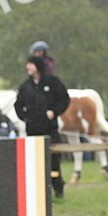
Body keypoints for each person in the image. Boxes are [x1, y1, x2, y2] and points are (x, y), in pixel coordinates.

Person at [16, 54, 70, 197]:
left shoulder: (53, 82)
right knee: (35, 163)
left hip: (50, 131)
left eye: (31, 64)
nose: (28, 67)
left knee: (53, 161)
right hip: (33, 131)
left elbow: (64, 99)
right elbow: (18, 105)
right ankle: (39, 192)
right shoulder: (25, 86)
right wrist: (25, 117)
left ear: (38, 66)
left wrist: (54, 112)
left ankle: (58, 189)